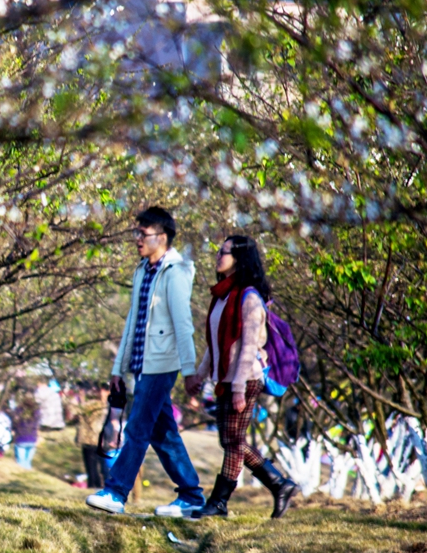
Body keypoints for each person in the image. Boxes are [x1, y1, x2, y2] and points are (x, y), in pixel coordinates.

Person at [86, 207, 205, 517]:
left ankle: (116, 492)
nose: (137, 238)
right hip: (142, 364)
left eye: (144, 233)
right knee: (162, 432)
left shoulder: (176, 272)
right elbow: (132, 323)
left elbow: (183, 323)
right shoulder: (142, 270)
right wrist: (117, 369)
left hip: (163, 363)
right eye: (135, 232)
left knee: (138, 427)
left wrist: (190, 370)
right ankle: (191, 495)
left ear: (162, 237)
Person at [187, 235, 298, 519]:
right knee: (230, 441)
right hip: (226, 379)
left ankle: (219, 501)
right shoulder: (222, 295)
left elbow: (248, 346)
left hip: (245, 379)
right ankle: (279, 484)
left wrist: (238, 389)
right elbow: (216, 343)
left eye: (224, 252)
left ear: (239, 259)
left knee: (234, 442)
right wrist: (200, 375)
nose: (217, 256)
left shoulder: (248, 297)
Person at [74, 382, 110, 488]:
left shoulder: (94, 405)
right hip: (96, 439)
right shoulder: (103, 405)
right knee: (96, 465)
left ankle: (94, 485)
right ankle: (96, 485)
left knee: (93, 465)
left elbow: (77, 411)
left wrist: (81, 398)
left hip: (92, 439)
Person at [11, 393, 41, 469]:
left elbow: (14, 423)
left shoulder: (18, 410)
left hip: (20, 438)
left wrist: (13, 432)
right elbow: (37, 425)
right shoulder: (36, 411)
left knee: (20, 462)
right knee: (28, 462)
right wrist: (38, 437)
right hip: (32, 438)